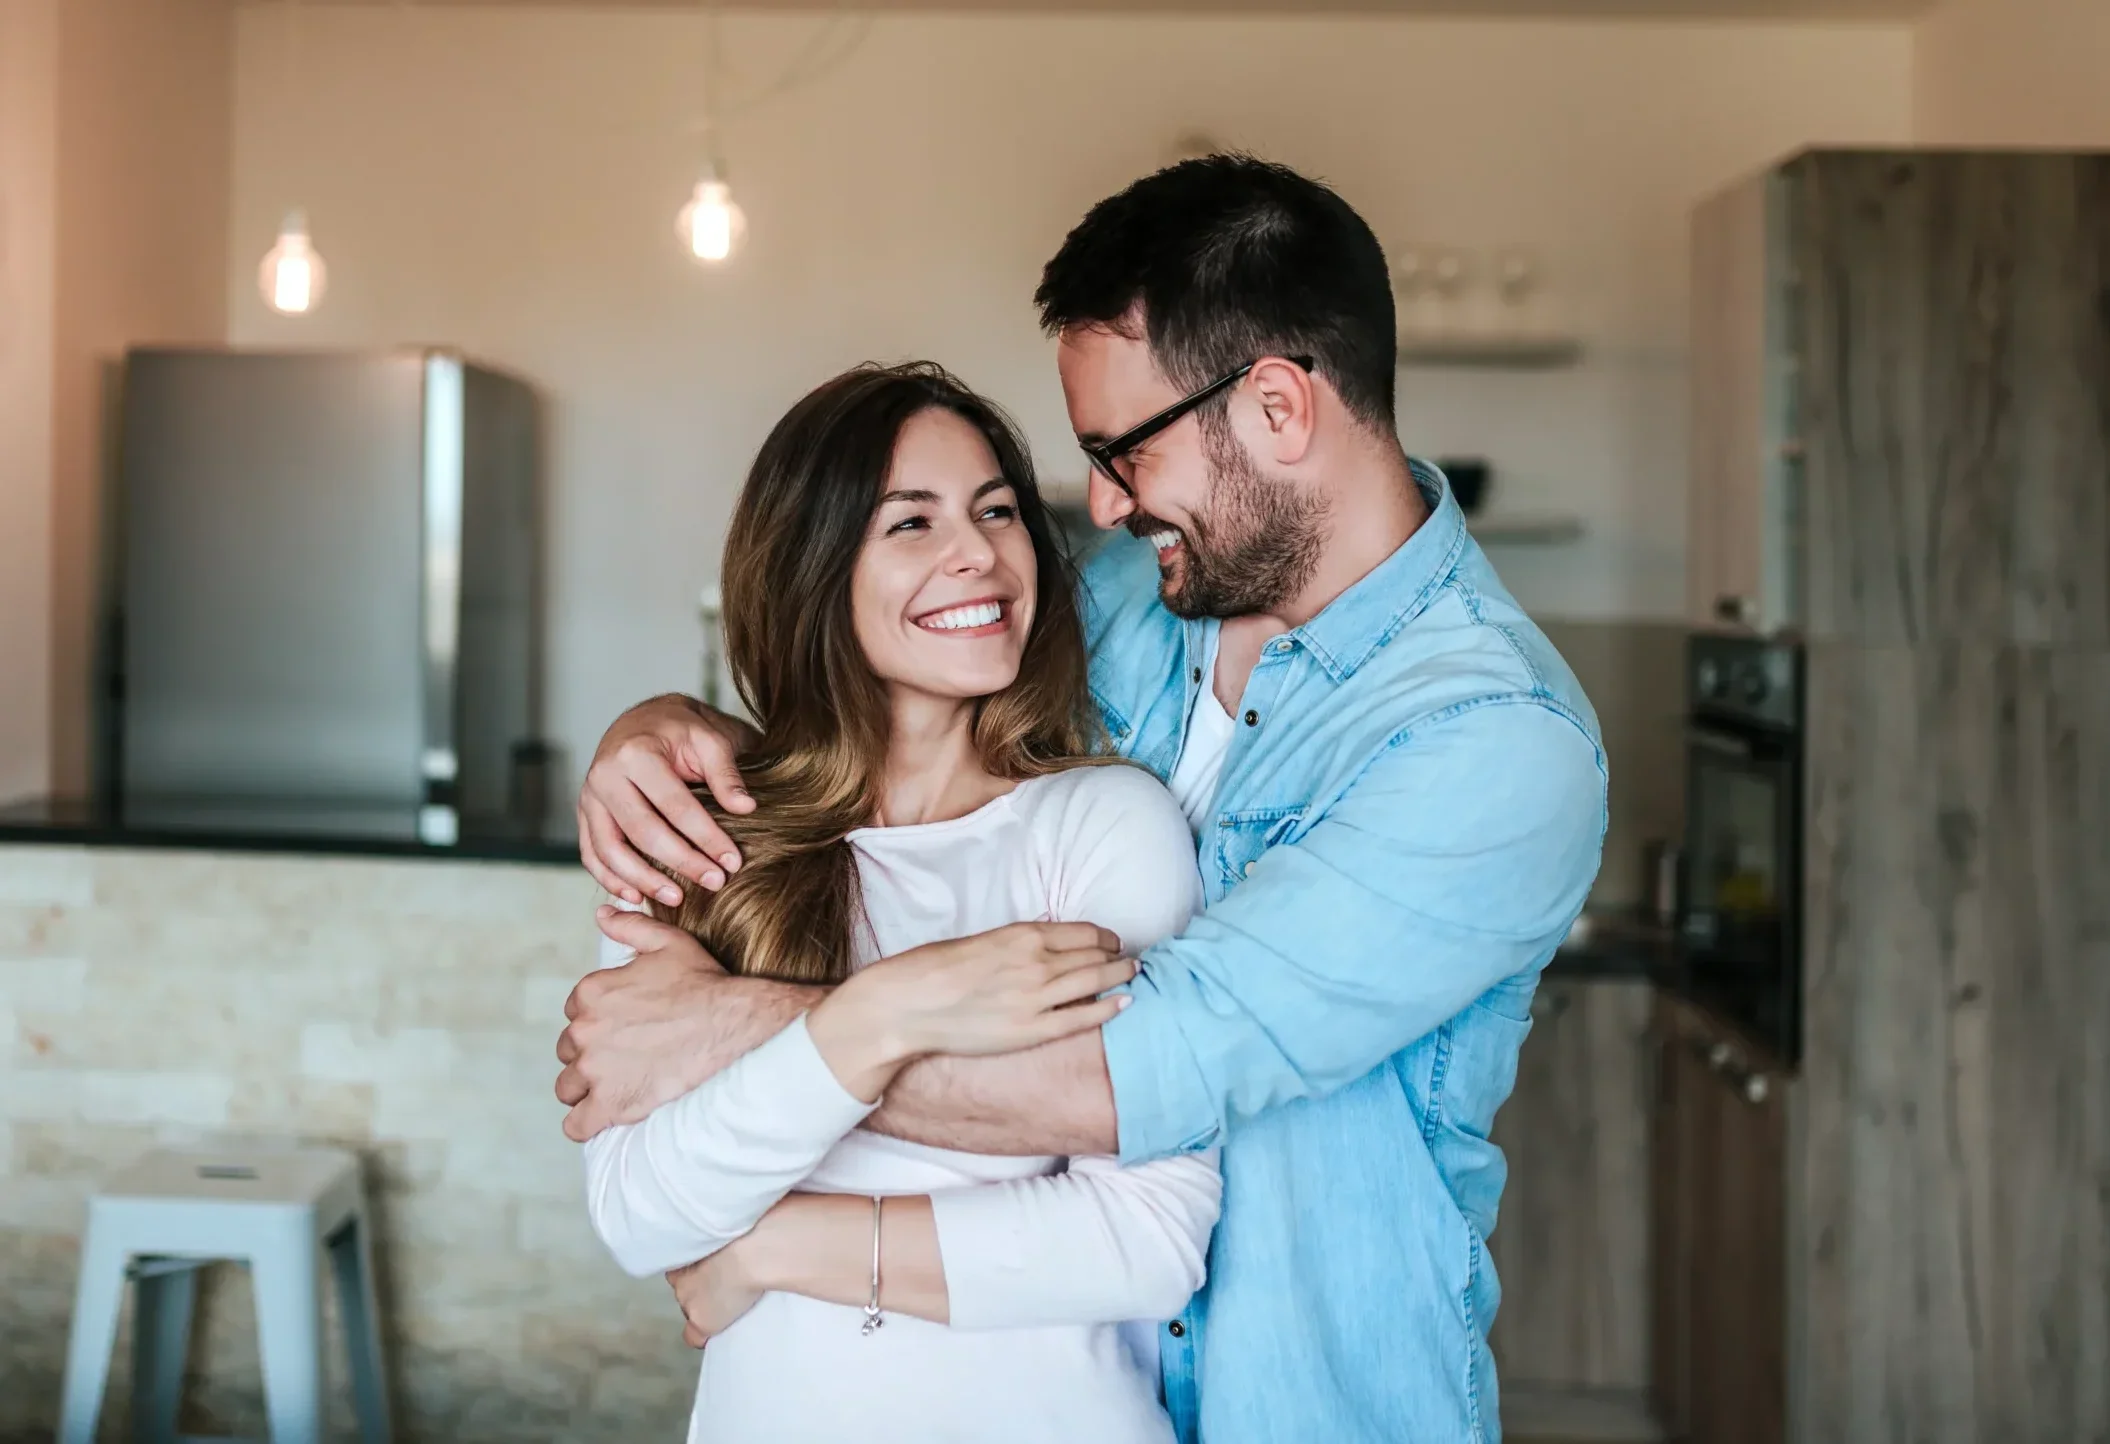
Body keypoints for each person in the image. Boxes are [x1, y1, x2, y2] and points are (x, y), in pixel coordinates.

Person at [560, 155, 1609, 1443]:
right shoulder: (1135, 597)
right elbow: (887, 677)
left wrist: (730, 1030)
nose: (1102, 504)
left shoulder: (1493, 740)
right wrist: (665, 732)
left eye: (1122, 451)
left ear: (1277, 407)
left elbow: (1139, 1071)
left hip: (1307, 1406)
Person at [582, 360, 1220, 1443]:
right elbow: (641, 1212)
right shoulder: (704, 834)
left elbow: (1149, 1240)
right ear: (811, 570)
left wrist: (765, 1248)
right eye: (911, 523)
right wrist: (888, 1011)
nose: (978, 551)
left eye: (998, 510)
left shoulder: (1102, 823)